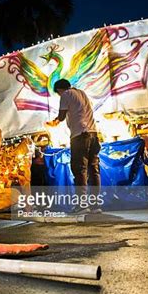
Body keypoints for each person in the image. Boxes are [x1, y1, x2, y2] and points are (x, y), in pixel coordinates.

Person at [47, 79, 101, 213]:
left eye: (58, 93)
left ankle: (82, 206)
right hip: (94, 134)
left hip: (80, 136)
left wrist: (53, 122)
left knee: (80, 169)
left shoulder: (66, 94)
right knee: (93, 170)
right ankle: (95, 206)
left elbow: (61, 116)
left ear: (60, 89)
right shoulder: (82, 93)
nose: (59, 96)